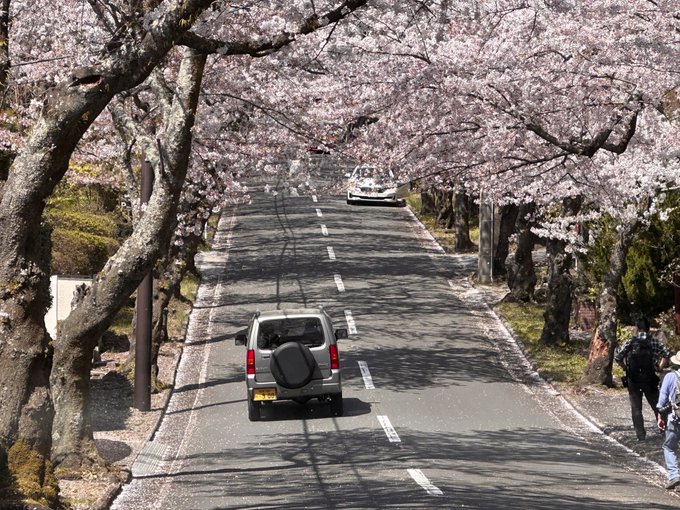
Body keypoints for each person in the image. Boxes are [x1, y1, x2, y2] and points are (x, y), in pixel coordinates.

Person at [614, 316, 670, 441]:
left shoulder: (630, 342)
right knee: (658, 405)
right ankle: (664, 430)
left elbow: (618, 357)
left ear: (637, 328)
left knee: (636, 408)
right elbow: (666, 353)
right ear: (649, 329)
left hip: (633, 380)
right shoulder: (653, 341)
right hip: (650, 379)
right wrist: (659, 367)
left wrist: (626, 368)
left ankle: (640, 435)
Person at [657, 351, 680, 490]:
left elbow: (661, 402)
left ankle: (674, 476)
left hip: (675, 418)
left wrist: (660, 416)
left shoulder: (671, 376)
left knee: (669, 447)